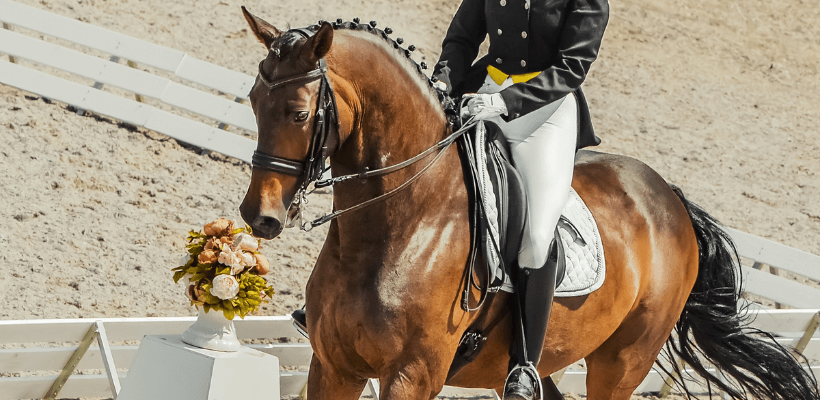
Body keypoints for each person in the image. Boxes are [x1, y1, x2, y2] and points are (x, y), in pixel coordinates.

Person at [431, 0, 608, 398]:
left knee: (537, 238)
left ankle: (524, 366)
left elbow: (573, 66)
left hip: (543, 114)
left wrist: (506, 103)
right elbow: (461, 38)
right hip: (481, 95)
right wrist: (444, 81)